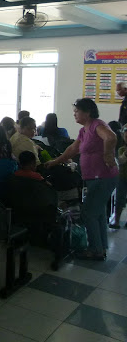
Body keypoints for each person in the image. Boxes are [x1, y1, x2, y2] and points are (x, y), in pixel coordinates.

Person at [45, 99, 118, 260]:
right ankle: (100, 248)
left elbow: (111, 137)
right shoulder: (84, 130)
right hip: (95, 178)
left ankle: (94, 250)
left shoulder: (97, 125)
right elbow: (73, 149)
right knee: (98, 213)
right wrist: (55, 161)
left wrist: (107, 155)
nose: (74, 114)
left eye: (77, 111)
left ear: (88, 112)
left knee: (88, 213)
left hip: (102, 177)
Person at [112, 126, 127, 229]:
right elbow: (121, 161)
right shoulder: (121, 149)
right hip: (122, 177)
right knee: (119, 200)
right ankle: (116, 221)